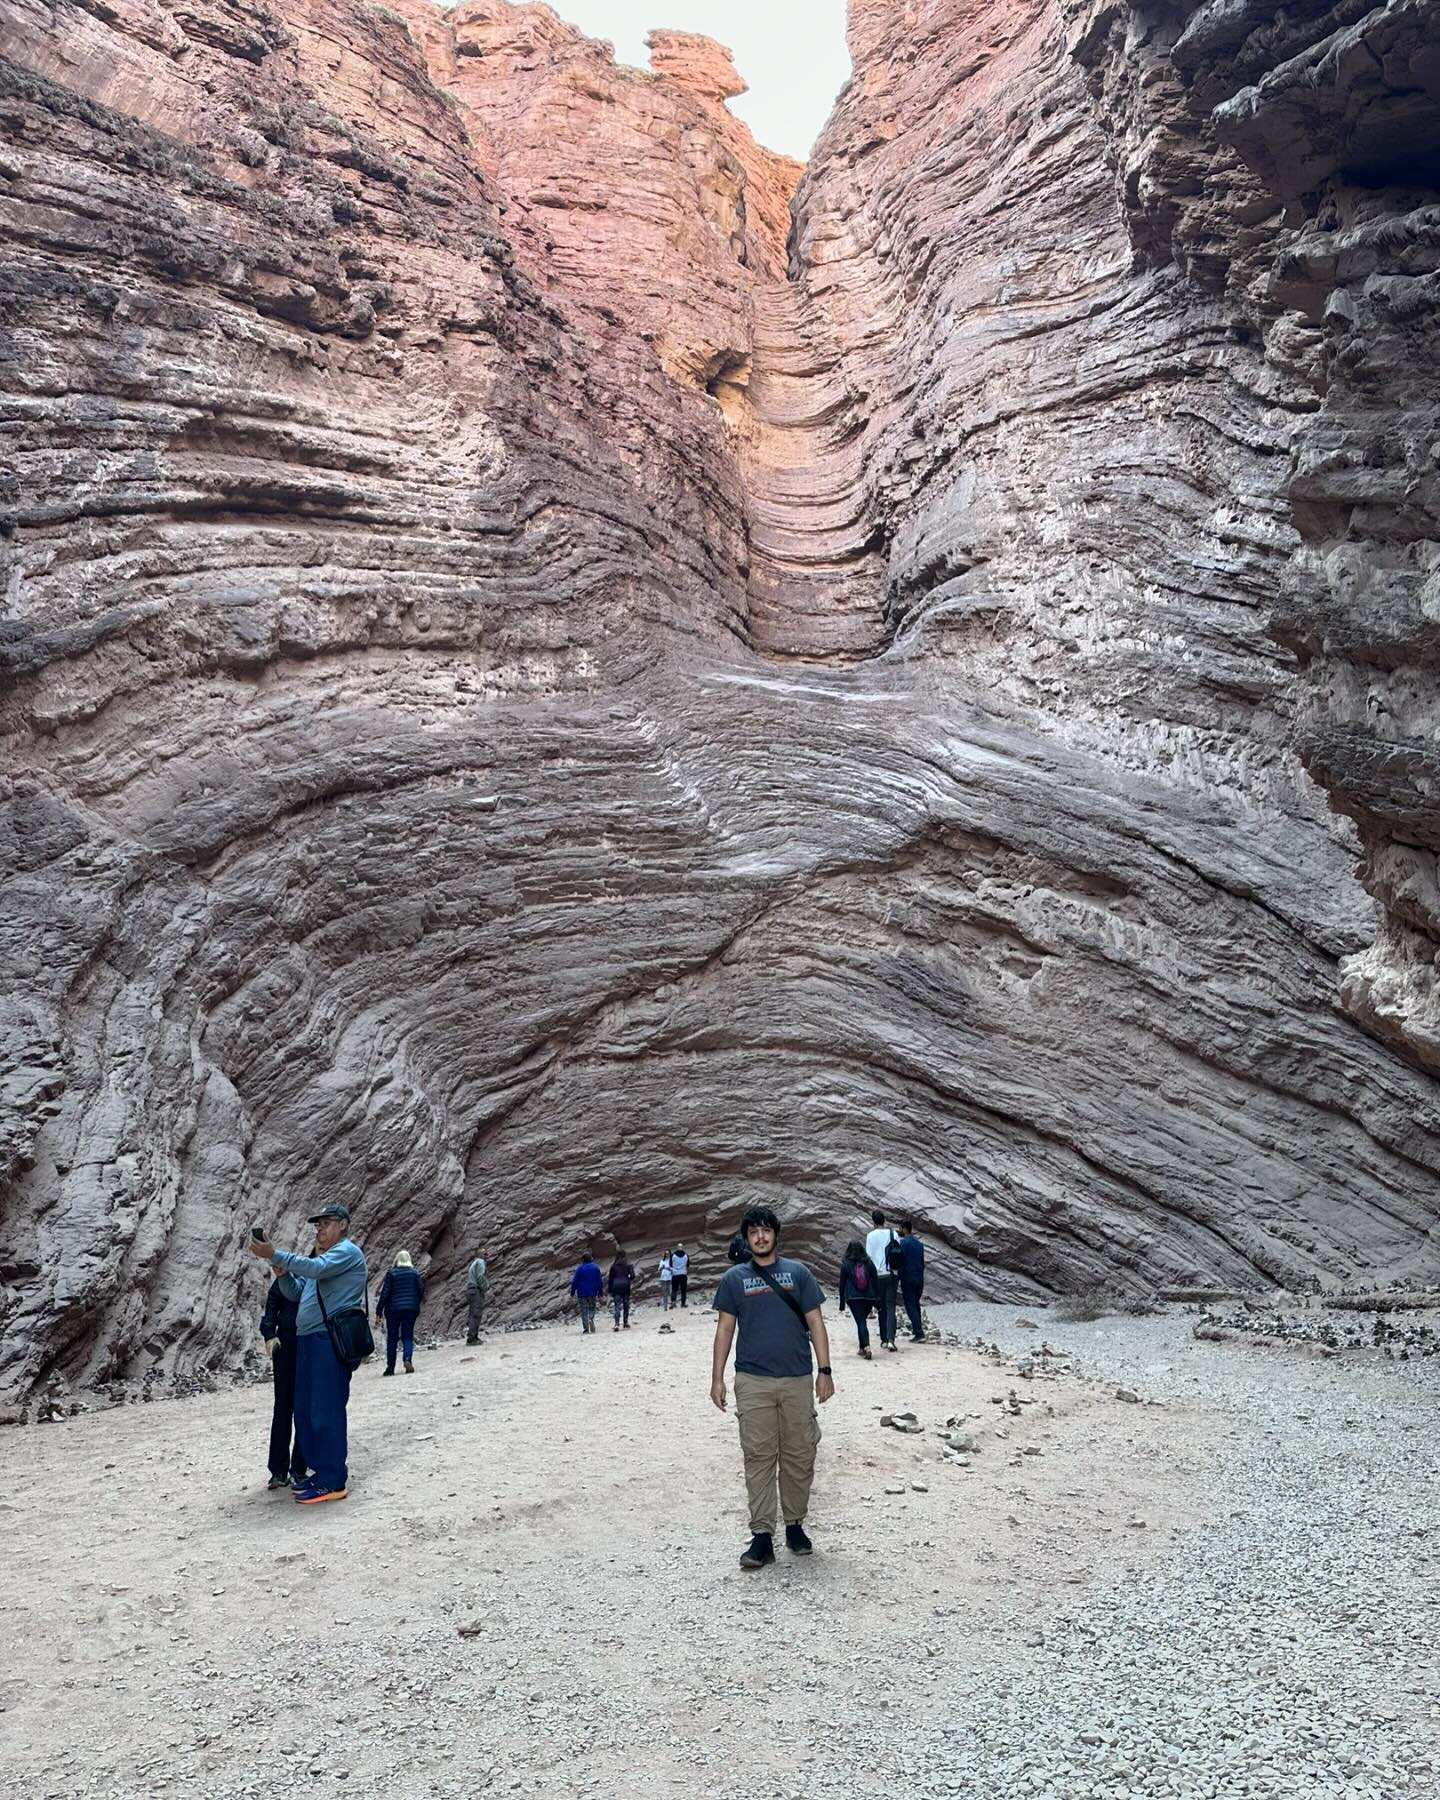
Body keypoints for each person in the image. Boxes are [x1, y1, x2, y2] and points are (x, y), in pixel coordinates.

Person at [710, 1205, 834, 1571]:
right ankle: (762, 1534)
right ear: (746, 1239)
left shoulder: (798, 1274)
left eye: (766, 1231)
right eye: (753, 1233)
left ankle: (795, 1524)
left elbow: (816, 1322)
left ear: (776, 1235)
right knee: (759, 1456)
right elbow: (724, 1329)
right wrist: (716, 1378)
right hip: (753, 1380)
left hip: (797, 1379)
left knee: (800, 1453)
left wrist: (824, 1370)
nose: (760, 1237)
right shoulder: (734, 1279)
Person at [248, 1203, 368, 1506]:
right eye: (317, 1225)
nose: (320, 1229)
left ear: (343, 1225)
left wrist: (275, 1255)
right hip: (309, 1343)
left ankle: (333, 1480)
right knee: (305, 1410)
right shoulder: (325, 1260)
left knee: (325, 1409)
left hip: (328, 1340)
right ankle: (320, 1472)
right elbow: (299, 1293)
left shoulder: (346, 1252)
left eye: (326, 1223)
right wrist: (284, 1274)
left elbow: (315, 1269)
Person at [260, 1272, 309, 1490]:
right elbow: (270, 1312)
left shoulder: (314, 1279)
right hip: (287, 1346)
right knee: (284, 1408)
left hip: (309, 1345)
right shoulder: (283, 1282)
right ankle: (280, 1470)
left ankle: (298, 1468)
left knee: (303, 1408)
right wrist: (270, 1335)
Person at [376, 1250, 426, 1376]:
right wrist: (415, 1303)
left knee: (392, 1339)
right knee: (407, 1335)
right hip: (410, 1309)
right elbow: (420, 1290)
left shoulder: (392, 1273)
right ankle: (407, 1359)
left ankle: (390, 1368)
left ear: (397, 1260)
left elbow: (385, 1293)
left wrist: (379, 1311)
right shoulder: (415, 1273)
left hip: (393, 1310)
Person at [864, 1209, 902, 1352]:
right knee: (891, 1305)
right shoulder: (893, 1234)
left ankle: (884, 1340)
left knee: (881, 1307)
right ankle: (891, 1339)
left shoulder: (870, 1236)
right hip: (891, 1274)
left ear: (873, 1222)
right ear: (884, 1221)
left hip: (877, 1276)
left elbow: (868, 1258)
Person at [836, 1240, 879, 1360]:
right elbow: (875, 1282)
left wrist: (842, 1303)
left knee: (860, 1322)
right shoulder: (869, 1263)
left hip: (854, 1298)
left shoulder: (846, 1264)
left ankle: (867, 1347)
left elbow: (842, 1285)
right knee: (862, 1322)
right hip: (868, 1297)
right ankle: (862, 1348)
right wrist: (877, 1299)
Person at [897, 1219, 927, 1343]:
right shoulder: (920, 1245)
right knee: (916, 1303)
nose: (899, 1231)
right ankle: (917, 1329)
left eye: (900, 1229)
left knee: (910, 1305)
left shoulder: (902, 1244)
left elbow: (900, 1262)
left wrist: (897, 1278)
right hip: (919, 1277)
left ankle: (919, 1333)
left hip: (908, 1277)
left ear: (904, 1229)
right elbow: (922, 1263)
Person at [570, 1251, 603, 1333]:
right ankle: (591, 1318)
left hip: (582, 1292)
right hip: (592, 1291)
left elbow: (575, 1281)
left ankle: (586, 1328)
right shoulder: (595, 1268)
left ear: (583, 1260)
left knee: (584, 1310)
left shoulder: (579, 1269)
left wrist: (573, 1291)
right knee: (592, 1307)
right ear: (591, 1259)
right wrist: (600, 1291)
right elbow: (599, 1281)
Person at [465, 1252, 489, 1344]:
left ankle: (472, 1337)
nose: (487, 1256)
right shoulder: (480, 1262)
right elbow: (480, 1276)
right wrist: (485, 1287)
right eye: (485, 1254)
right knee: (476, 1314)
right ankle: (472, 1339)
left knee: (473, 1314)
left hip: (470, 1290)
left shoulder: (474, 1263)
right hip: (476, 1290)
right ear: (481, 1255)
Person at [608, 1250, 635, 1330]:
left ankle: (616, 1324)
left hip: (616, 1286)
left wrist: (610, 1290)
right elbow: (633, 1276)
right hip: (625, 1286)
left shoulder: (613, 1266)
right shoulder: (628, 1265)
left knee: (617, 1305)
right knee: (626, 1305)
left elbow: (610, 1279)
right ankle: (625, 1322)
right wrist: (628, 1278)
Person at [669, 1244, 690, 1309]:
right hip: (683, 1274)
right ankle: (683, 1304)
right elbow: (688, 1265)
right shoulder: (686, 1255)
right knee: (683, 1290)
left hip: (675, 1275)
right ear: (682, 1247)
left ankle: (673, 1303)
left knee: (674, 1289)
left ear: (677, 1247)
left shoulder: (673, 1255)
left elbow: (670, 1264)